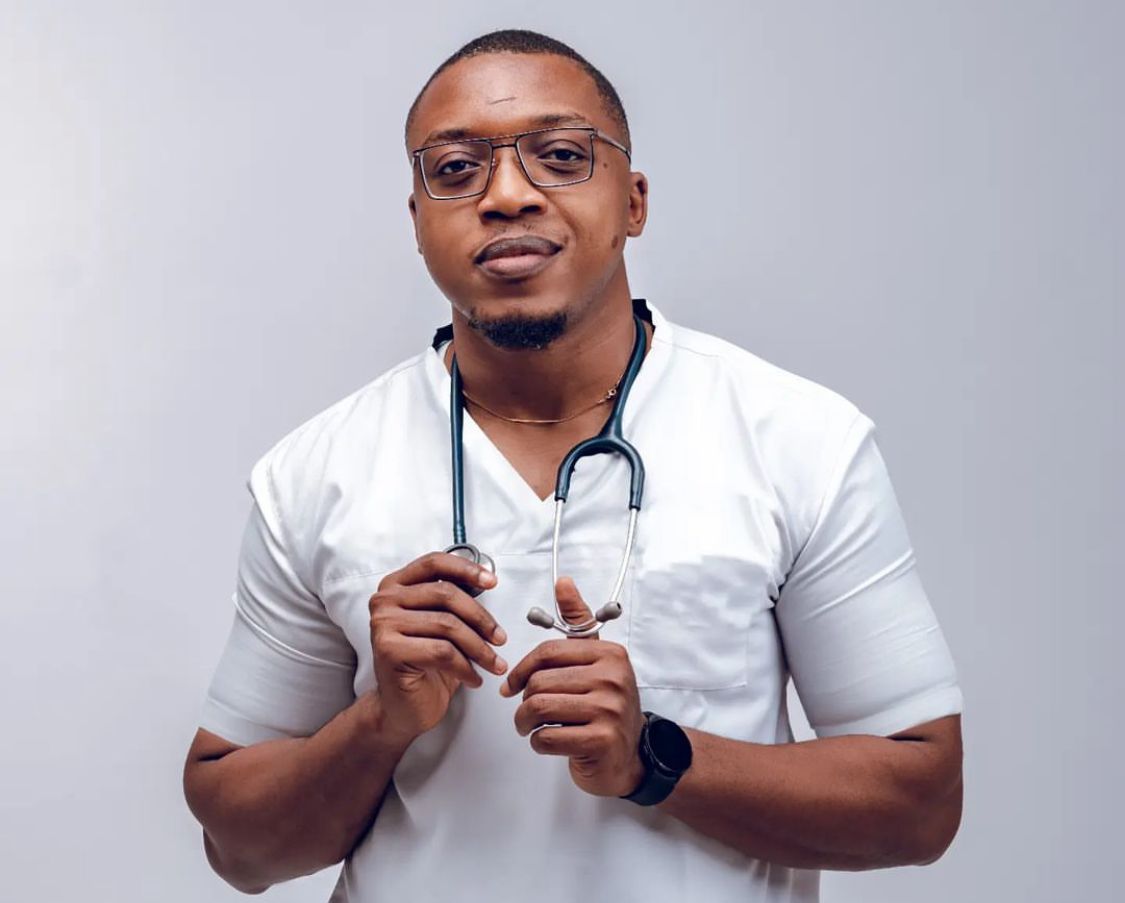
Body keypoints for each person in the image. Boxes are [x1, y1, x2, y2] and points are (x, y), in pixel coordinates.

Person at [182, 28, 963, 903]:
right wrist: (380, 722)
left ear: (632, 201)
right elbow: (239, 849)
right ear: (417, 222)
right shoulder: (314, 473)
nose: (506, 194)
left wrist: (653, 757)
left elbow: (921, 803)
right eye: (455, 170)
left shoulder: (796, 439)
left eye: (559, 156)